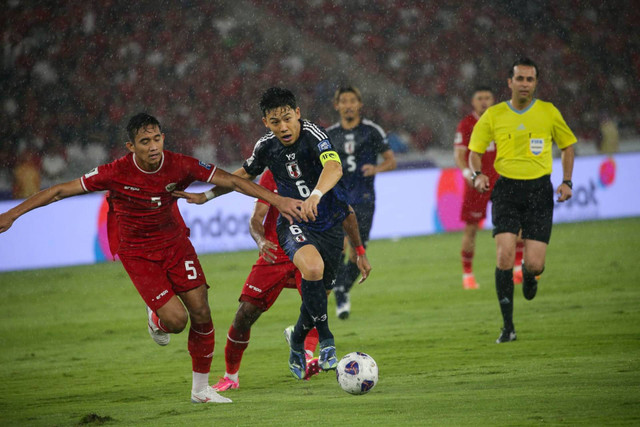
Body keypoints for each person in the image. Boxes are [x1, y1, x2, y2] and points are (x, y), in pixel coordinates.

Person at [0, 113, 304, 403]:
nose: (154, 146)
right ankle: (156, 315)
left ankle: (201, 390)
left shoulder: (179, 164)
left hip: (175, 245)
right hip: (138, 254)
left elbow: (233, 181)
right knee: (176, 322)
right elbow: (60, 191)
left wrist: (278, 200)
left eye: (157, 138)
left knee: (201, 312)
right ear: (131, 146)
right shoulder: (114, 171)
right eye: (145, 142)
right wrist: (13, 214)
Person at [189, 87, 369, 379]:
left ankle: (297, 338)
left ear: (298, 113)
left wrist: (317, 196)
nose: (283, 127)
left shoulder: (315, 136)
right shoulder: (267, 150)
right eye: (275, 122)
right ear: (266, 123)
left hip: (327, 228)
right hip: (292, 227)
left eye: (287, 118)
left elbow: (334, 168)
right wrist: (207, 196)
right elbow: (241, 179)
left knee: (315, 300)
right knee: (310, 270)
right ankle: (325, 341)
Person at [175, 169, 370, 389]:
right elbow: (256, 218)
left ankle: (303, 352)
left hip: (310, 249)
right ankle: (231, 377)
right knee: (245, 314)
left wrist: (357, 249)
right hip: (276, 251)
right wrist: (260, 241)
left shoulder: (322, 168)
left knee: (315, 305)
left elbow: (344, 211)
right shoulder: (272, 171)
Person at [469, 58, 576, 343]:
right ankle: (508, 327)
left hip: (540, 192)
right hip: (506, 191)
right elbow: (475, 151)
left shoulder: (548, 112)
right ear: (510, 82)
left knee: (534, 264)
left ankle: (530, 275)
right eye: (520, 79)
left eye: (530, 79)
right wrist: (478, 174)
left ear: (536, 83)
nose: (525, 84)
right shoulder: (494, 114)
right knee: (504, 255)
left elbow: (567, 146)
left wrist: (566, 181)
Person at [326, 86, 396, 319]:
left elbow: (391, 161)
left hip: (364, 200)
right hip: (336, 199)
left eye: (352, 101)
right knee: (338, 248)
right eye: (343, 101)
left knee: (359, 251)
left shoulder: (372, 131)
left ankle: (342, 288)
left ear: (359, 104)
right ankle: (338, 289)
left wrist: (376, 168)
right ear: (336, 105)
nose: (347, 105)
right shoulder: (329, 135)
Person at [454, 86, 526, 289]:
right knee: (471, 228)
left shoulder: (503, 119)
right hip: (477, 182)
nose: (484, 101)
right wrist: (468, 173)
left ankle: (518, 268)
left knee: (516, 223)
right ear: (473, 102)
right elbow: (459, 155)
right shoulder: (466, 124)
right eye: (480, 98)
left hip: (502, 180)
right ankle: (467, 275)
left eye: (487, 97)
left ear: (493, 100)